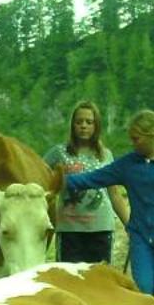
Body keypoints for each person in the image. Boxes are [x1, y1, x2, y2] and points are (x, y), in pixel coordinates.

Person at [59, 108, 154, 305]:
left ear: (153, 136)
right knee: (144, 288)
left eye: (137, 139)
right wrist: (58, 181)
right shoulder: (127, 164)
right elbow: (92, 178)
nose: (133, 144)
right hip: (140, 237)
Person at [43, 100, 130, 265]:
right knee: (69, 281)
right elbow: (39, 174)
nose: (84, 126)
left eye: (89, 122)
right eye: (79, 122)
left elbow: (114, 194)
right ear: (72, 125)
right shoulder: (58, 153)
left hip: (101, 229)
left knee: (99, 281)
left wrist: (129, 225)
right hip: (69, 230)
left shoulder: (106, 155)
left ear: (96, 126)